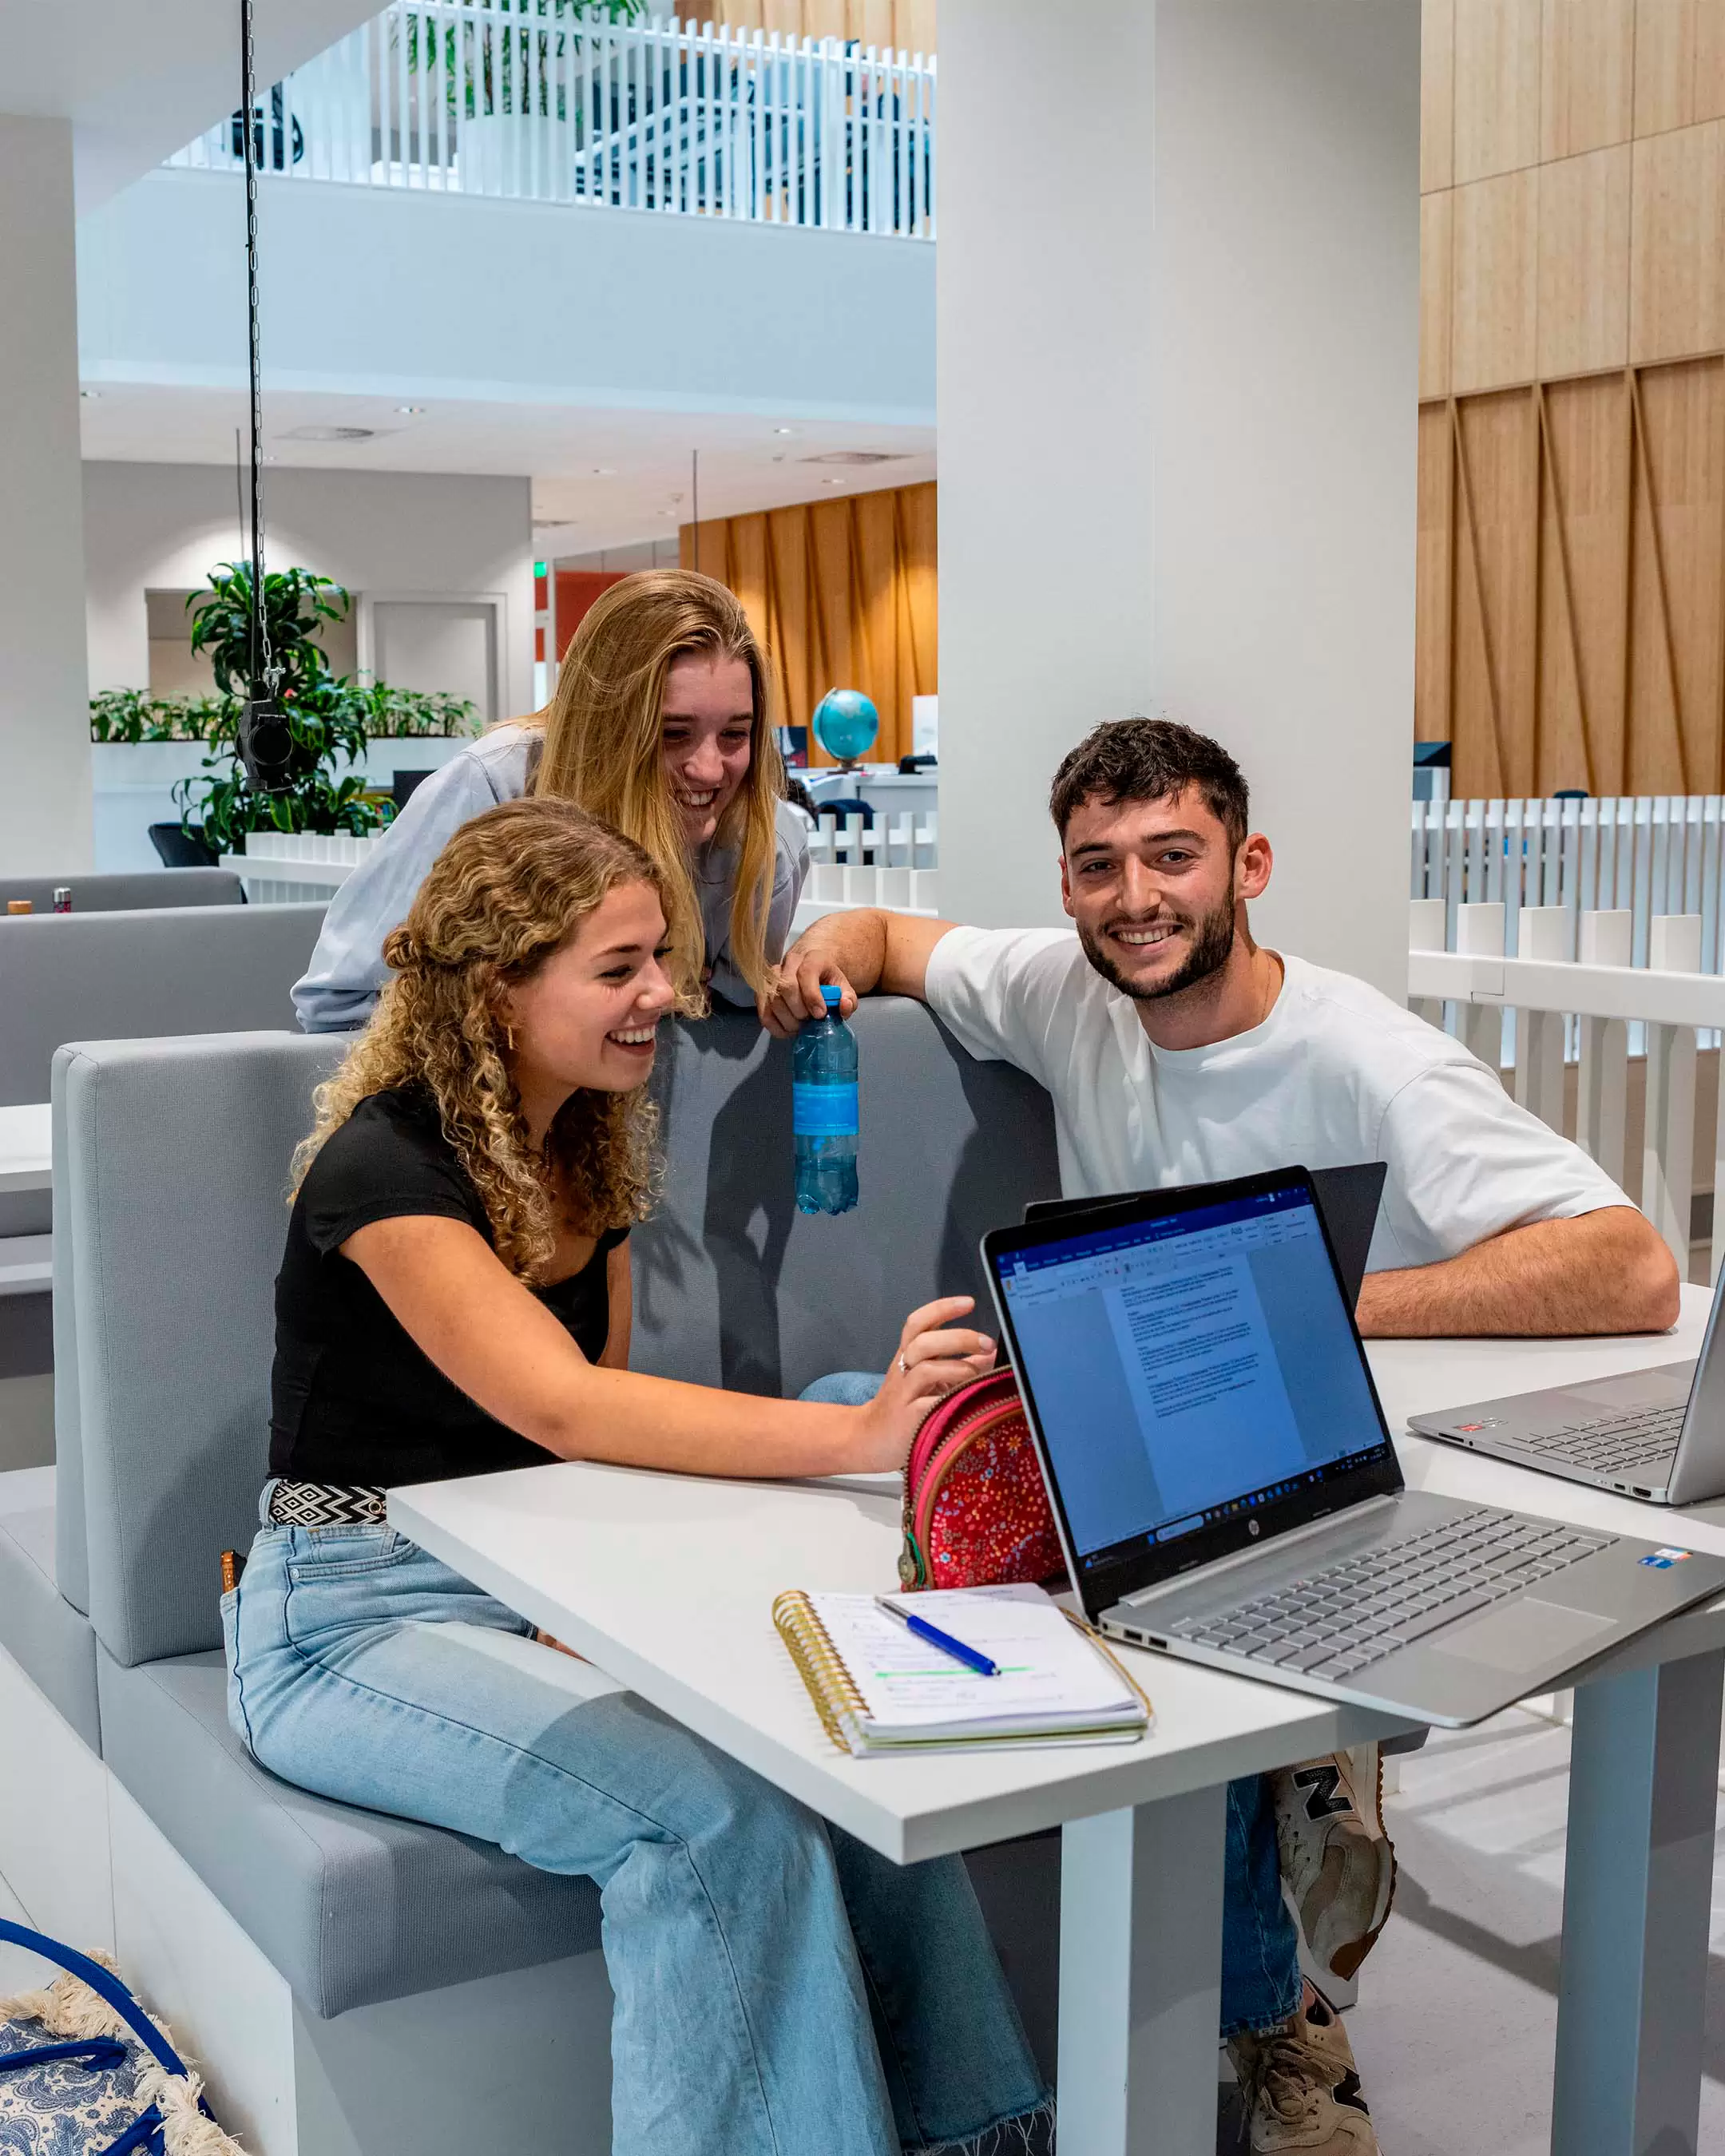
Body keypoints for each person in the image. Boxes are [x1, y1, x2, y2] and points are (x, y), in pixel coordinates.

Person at [765, 717, 1678, 2156]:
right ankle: (1273, 1847)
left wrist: (1303, 1298)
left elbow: (1628, 1266)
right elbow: (881, 934)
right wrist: (820, 952)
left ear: (1246, 864)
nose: (1139, 896)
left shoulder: (1366, 1052)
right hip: (1132, 1440)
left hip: (1315, 1461)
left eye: (1174, 857)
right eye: (1101, 865)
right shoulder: (1062, 988)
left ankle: (1273, 2018)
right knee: (851, 1425)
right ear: (1066, 888)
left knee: (1174, 1596)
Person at [229, 797, 1049, 2156]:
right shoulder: (382, 1171)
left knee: (839, 1746)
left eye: (657, 959)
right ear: (500, 989)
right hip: (344, 1619)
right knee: (709, 1820)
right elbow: (565, 1406)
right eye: (619, 970)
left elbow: (578, 1456)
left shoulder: (580, 1144)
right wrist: (855, 1442)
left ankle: (984, 2139)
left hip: (526, 1575)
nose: (664, 997)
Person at [292, 569, 809, 1029]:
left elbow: (740, 1008)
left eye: (735, 735)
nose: (709, 769)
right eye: (672, 734)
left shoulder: (766, 844)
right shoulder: (494, 789)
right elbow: (338, 1003)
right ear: (606, 726)